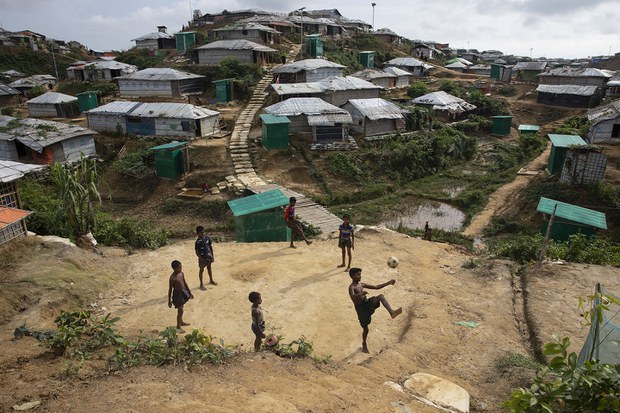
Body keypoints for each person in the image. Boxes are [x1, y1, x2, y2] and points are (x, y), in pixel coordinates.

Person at [348, 267, 402, 353]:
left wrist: (388, 283)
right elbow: (352, 297)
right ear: (352, 276)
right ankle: (364, 344)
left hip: (367, 303)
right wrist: (361, 294)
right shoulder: (351, 287)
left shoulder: (362, 284)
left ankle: (392, 312)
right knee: (366, 329)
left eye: (360, 274)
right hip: (361, 309)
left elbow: (376, 287)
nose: (360, 276)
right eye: (358, 275)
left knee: (380, 296)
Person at [168, 260, 193, 333]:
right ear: (174, 268)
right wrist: (169, 301)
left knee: (182, 308)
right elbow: (170, 289)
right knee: (180, 310)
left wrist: (189, 292)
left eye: (181, 267)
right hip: (177, 295)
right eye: (179, 268)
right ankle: (178, 327)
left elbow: (185, 282)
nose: (180, 269)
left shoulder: (181, 273)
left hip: (183, 292)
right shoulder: (172, 278)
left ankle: (181, 321)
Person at [195, 226, 217, 290]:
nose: (203, 233)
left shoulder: (207, 238)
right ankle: (201, 284)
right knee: (201, 270)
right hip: (202, 258)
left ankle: (211, 280)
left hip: (208, 256)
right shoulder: (197, 242)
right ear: (198, 233)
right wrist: (200, 258)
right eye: (201, 232)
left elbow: (210, 247)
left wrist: (212, 255)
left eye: (204, 232)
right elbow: (196, 251)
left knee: (209, 268)